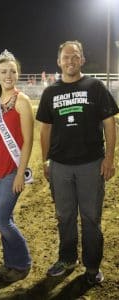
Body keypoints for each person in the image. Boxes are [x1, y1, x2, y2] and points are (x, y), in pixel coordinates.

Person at [36, 40, 119, 285]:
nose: (70, 61)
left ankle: (92, 266)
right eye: (65, 57)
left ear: (82, 60)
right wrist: (45, 160)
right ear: (58, 61)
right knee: (65, 216)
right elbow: (45, 130)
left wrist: (110, 158)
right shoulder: (50, 92)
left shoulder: (95, 86)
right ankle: (67, 259)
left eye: (75, 56)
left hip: (91, 165)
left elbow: (109, 124)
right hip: (60, 166)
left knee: (91, 217)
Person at [0, 49, 34, 282]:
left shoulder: (22, 101)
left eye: (12, 71)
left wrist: (21, 174)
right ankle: (10, 263)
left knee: (0, 219)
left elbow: (28, 140)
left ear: (17, 73)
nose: (8, 75)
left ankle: (22, 262)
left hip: (11, 169)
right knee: (6, 218)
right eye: (4, 71)